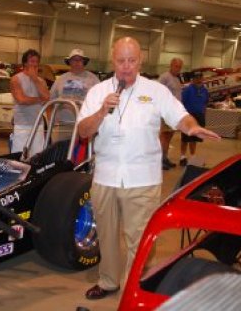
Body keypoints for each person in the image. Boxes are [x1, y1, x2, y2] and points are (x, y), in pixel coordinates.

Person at [77, 37, 220, 300]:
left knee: (140, 239)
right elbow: (83, 131)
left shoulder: (156, 91)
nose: (126, 67)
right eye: (121, 61)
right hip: (105, 177)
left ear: (140, 60)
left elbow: (179, 115)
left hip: (142, 179)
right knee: (106, 235)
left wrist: (191, 127)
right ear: (113, 61)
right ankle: (108, 281)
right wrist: (100, 112)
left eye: (132, 60)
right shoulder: (97, 92)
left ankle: (134, 288)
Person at [50, 48, 99, 141]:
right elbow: (51, 100)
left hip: (84, 125)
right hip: (63, 125)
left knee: (80, 154)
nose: (77, 62)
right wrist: (51, 120)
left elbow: (100, 100)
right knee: (59, 153)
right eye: (74, 59)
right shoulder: (60, 79)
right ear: (69, 62)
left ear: (84, 61)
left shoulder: (93, 79)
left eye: (80, 59)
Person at [10, 49, 49, 157]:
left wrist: (34, 79)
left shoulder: (41, 81)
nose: (35, 64)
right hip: (22, 124)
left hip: (38, 124)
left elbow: (47, 97)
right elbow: (21, 100)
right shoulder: (16, 79)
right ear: (25, 63)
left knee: (37, 156)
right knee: (19, 156)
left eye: (36, 61)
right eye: (32, 61)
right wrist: (39, 99)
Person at [180, 71, 210, 166]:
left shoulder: (204, 90)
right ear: (193, 79)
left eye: (200, 77)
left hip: (199, 116)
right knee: (185, 137)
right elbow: (181, 103)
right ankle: (182, 157)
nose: (199, 79)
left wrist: (203, 116)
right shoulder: (187, 89)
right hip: (189, 116)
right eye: (197, 77)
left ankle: (193, 157)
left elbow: (205, 104)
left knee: (195, 138)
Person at [158, 58, 184, 170]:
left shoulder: (177, 79)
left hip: (174, 113)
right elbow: (157, 92)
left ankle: (165, 158)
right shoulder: (165, 77)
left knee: (169, 137)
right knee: (164, 136)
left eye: (180, 67)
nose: (178, 69)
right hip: (166, 112)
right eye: (176, 66)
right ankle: (160, 160)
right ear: (171, 65)